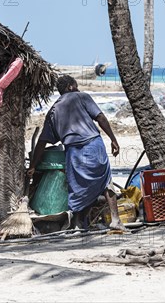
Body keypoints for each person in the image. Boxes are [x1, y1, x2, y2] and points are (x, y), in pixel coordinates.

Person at [27, 75, 126, 231]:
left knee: (78, 187)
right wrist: (113, 139)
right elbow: (100, 117)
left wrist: (33, 165)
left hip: (73, 152)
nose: (78, 87)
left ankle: (77, 223)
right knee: (106, 181)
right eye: (76, 85)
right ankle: (115, 220)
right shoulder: (82, 97)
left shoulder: (53, 110)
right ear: (70, 87)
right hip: (93, 145)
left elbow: (42, 141)